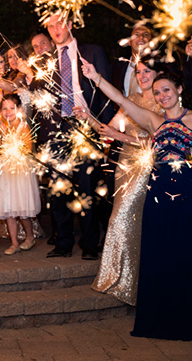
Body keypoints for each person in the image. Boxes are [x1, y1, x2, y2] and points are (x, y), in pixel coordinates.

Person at [81, 62, 192, 341]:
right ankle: (158, 320)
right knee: (159, 254)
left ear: (179, 89)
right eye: (157, 92)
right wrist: (95, 76)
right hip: (158, 197)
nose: (161, 96)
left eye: (166, 90)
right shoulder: (153, 121)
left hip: (190, 197)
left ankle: (191, 319)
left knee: (188, 254)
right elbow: (121, 99)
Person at [75, 57, 164, 305]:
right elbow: (109, 129)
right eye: (139, 71)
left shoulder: (164, 102)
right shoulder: (132, 101)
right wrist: (87, 117)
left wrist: (120, 137)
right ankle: (120, 279)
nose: (142, 75)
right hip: (124, 166)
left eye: (148, 71)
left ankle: (128, 283)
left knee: (122, 219)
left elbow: (158, 143)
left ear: (158, 74)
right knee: (126, 220)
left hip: (147, 167)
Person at [44, 13, 115, 260]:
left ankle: (89, 244)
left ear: (70, 25)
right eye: (50, 26)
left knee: (87, 187)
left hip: (86, 126)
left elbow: (106, 93)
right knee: (58, 188)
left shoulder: (92, 52)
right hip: (57, 130)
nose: (55, 29)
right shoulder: (44, 61)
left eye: (59, 23)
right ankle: (63, 243)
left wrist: (101, 125)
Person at [0, 93, 41, 255]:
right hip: (6, 171)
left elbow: (28, 148)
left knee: (22, 209)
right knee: (9, 208)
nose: (8, 111)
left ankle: (29, 237)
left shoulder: (23, 126)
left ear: (19, 109)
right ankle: (14, 242)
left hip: (20, 172)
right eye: (4, 108)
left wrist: (16, 148)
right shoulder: (3, 128)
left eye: (11, 108)